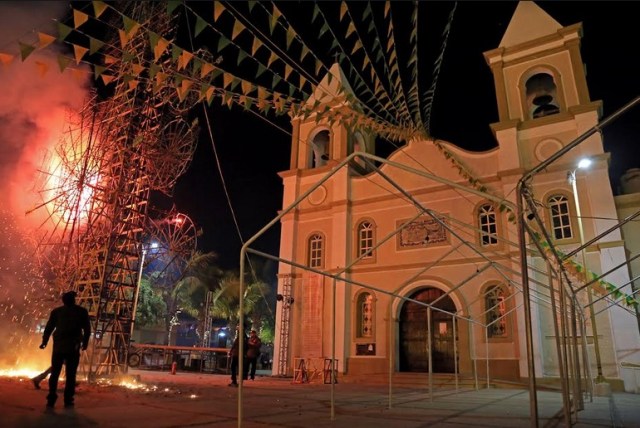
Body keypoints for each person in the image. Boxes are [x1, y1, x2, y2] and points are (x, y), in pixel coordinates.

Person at [39, 290, 91, 408]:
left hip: (59, 347)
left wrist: (44, 341)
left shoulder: (57, 312)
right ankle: (68, 399)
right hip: (73, 347)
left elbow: (49, 328)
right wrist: (85, 343)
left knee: (55, 374)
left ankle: (51, 398)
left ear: (63, 301)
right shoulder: (81, 312)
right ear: (74, 300)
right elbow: (87, 329)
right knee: (71, 375)